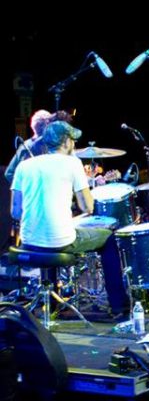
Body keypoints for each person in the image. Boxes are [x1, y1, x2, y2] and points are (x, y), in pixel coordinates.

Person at [10, 121, 128, 316]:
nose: (74, 143)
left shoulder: (24, 166)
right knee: (109, 238)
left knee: (46, 235)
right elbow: (87, 207)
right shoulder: (72, 163)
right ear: (65, 142)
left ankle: (53, 302)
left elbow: (15, 211)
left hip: (28, 241)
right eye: (72, 139)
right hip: (61, 242)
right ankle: (119, 305)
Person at [5, 109, 55, 183]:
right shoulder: (28, 147)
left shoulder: (25, 145)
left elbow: (9, 173)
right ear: (46, 124)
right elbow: (9, 174)